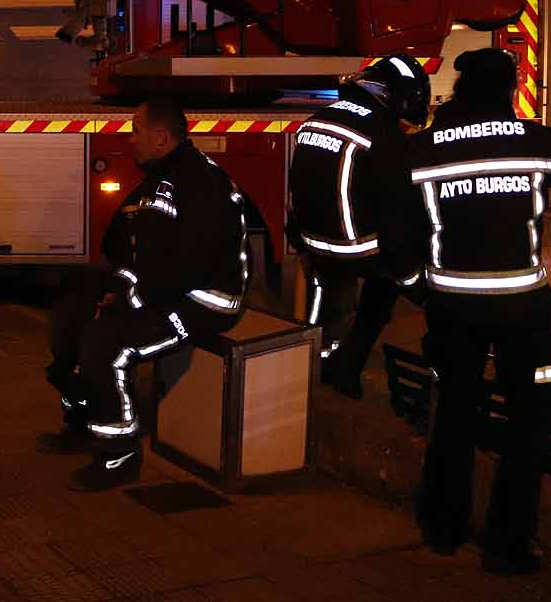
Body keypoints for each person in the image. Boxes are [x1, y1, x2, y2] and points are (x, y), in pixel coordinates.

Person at [390, 47, 551, 575]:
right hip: (525, 313)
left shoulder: (422, 150)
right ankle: (510, 545)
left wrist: (417, 288)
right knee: (529, 428)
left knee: (453, 417)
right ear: (510, 90)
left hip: (453, 311)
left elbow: (398, 234)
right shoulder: (539, 140)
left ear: (459, 90)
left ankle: (443, 527)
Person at [39, 98, 248, 492]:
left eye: (135, 129)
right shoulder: (157, 178)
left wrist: (127, 299)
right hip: (165, 292)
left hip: (203, 303)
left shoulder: (201, 184)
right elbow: (126, 246)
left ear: (161, 137)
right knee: (71, 311)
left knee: (107, 343)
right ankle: (81, 424)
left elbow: (189, 267)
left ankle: (119, 453)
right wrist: (108, 288)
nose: (129, 138)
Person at [288, 55, 431, 399]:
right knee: (383, 292)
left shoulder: (317, 120)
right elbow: (397, 211)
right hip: (355, 249)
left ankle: (312, 361)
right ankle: (345, 368)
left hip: (310, 240)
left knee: (326, 302)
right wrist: (412, 278)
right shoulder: (383, 136)